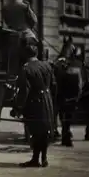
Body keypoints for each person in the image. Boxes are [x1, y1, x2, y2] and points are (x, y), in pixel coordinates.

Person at [10, 39, 55, 168]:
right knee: (45, 130)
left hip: (34, 103)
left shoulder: (26, 69)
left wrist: (18, 107)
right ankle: (44, 159)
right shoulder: (46, 65)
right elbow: (53, 84)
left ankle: (35, 160)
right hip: (47, 100)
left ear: (25, 55)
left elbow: (24, 91)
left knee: (35, 132)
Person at [2, 0, 38, 64]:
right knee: (37, 45)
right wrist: (30, 26)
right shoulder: (25, 6)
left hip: (12, 34)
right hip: (26, 34)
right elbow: (34, 20)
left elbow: (7, 21)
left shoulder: (6, 7)